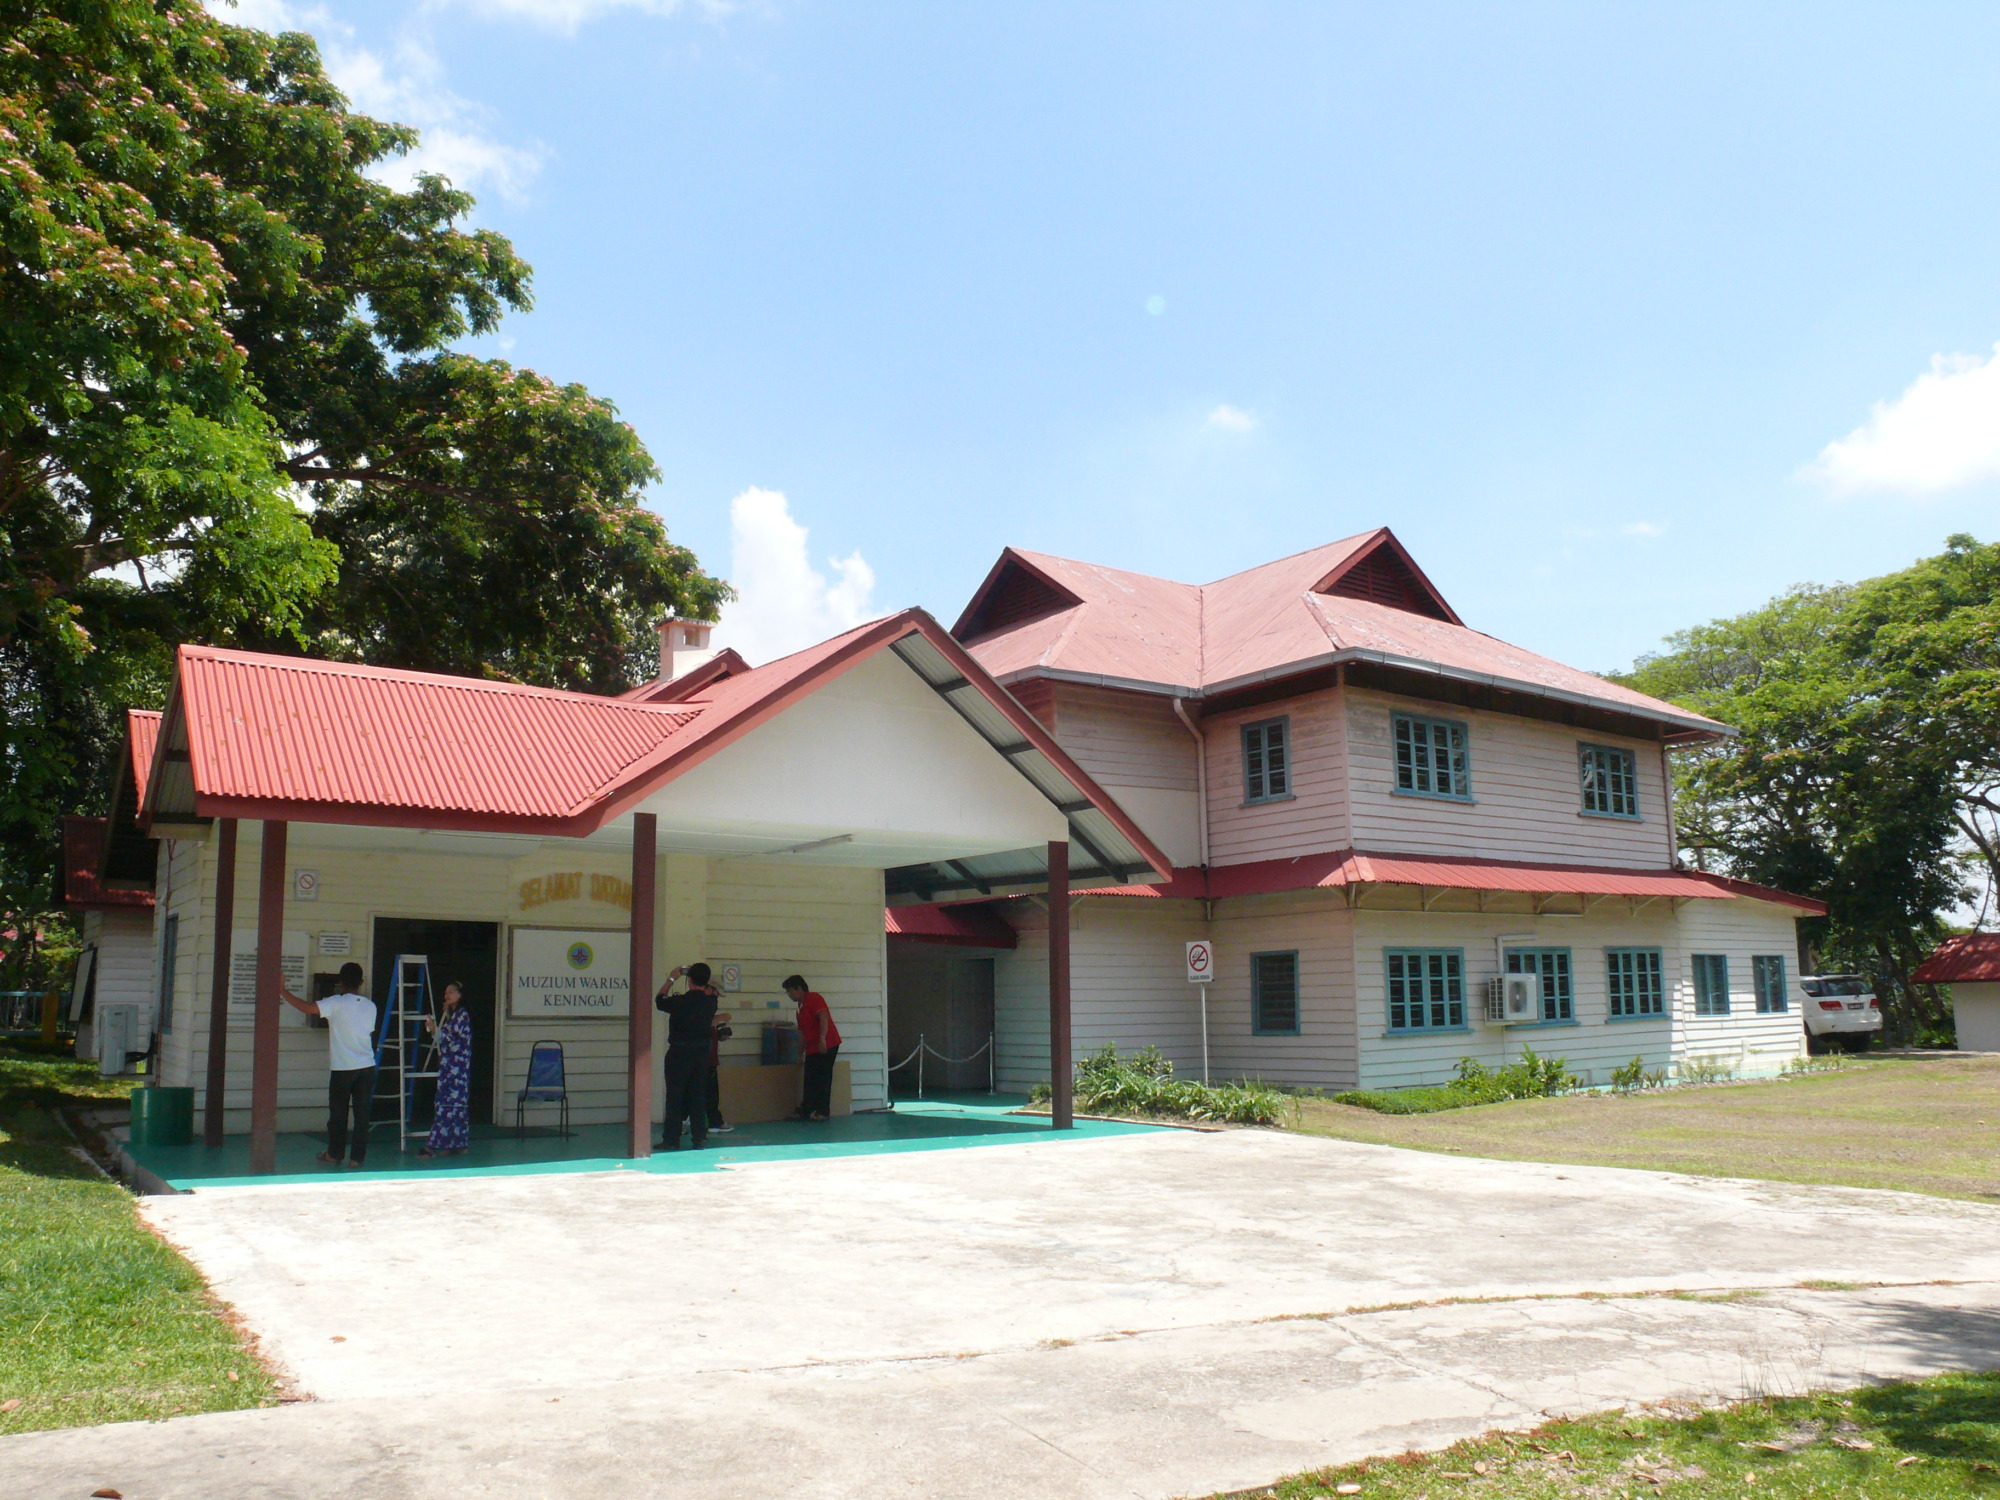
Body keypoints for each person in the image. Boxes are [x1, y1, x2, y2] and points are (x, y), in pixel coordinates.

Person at [279, 961, 378, 1168]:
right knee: (362, 1116)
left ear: (340, 982)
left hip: (342, 1068)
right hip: (367, 1066)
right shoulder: (371, 1006)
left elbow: (307, 1008)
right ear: (361, 982)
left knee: (338, 1115)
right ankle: (357, 1159)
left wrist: (282, 990)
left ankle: (334, 1154)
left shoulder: (335, 1003)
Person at [655, 963, 718, 1150]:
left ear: (689, 979)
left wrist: (672, 978)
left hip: (679, 1053)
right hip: (701, 1054)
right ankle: (699, 1137)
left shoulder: (680, 1002)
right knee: (697, 1096)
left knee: (675, 1097)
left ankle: (671, 1139)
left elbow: (659, 1000)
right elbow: (711, 993)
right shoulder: (711, 1003)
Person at [417, 982, 472, 1159]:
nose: (446, 995)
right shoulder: (453, 1016)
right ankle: (457, 1144)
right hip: (451, 1068)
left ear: (459, 995)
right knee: (455, 1107)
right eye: (445, 992)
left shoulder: (462, 1016)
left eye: (451, 992)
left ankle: (433, 1145)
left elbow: (452, 1040)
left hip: (456, 1070)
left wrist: (435, 1029)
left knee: (446, 1107)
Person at [784, 974, 841, 1122]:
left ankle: (822, 1111)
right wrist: (800, 1054)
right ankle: (807, 1109)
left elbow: (823, 1017)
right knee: (809, 1078)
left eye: (790, 991)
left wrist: (822, 1038)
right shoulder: (800, 1008)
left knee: (823, 1077)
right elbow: (802, 1032)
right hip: (812, 1047)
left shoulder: (814, 998)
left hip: (827, 1043)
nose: (789, 995)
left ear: (799, 988)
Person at [706, 1005, 735, 1135]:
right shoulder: (705, 1019)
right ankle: (714, 1122)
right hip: (707, 1062)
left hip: (705, 1061)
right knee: (711, 1094)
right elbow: (722, 1017)